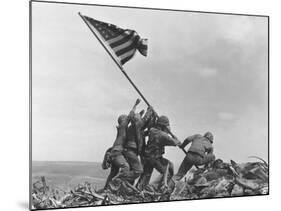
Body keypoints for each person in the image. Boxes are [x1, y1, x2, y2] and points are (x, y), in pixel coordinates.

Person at [137, 115, 181, 191]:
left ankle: (139, 189)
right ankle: (155, 187)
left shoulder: (152, 130)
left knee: (146, 175)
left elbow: (152, 128)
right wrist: (174, 138)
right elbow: (176, 143)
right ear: (164, 126)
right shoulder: (163, 135)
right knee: (169, 169)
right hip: (156, 158)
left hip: (148, 157)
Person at [122, 105, 154, 185]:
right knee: (138, 171)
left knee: (132, 170)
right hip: (131, 151)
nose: (140, 119)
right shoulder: (136, 125)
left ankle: (127, 187)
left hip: (130, 151)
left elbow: (143, 131)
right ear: (137, 120)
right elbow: (144, 120)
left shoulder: (133, 128)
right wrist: (149, 110)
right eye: (139, 118)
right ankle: (121, 178)